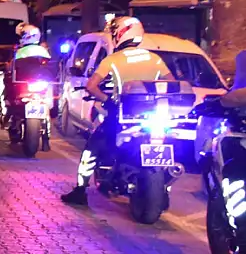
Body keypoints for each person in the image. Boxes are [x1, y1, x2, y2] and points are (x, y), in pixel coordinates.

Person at [61, 17, 174, 205]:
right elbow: (171, 83)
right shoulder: (154, 59)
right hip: (153, 115)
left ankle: (80, 190)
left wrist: (108, 101)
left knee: (91, 149)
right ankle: (164, 189)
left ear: (119, 34)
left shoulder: (113, 60)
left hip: (122, 115)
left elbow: (91, 86)